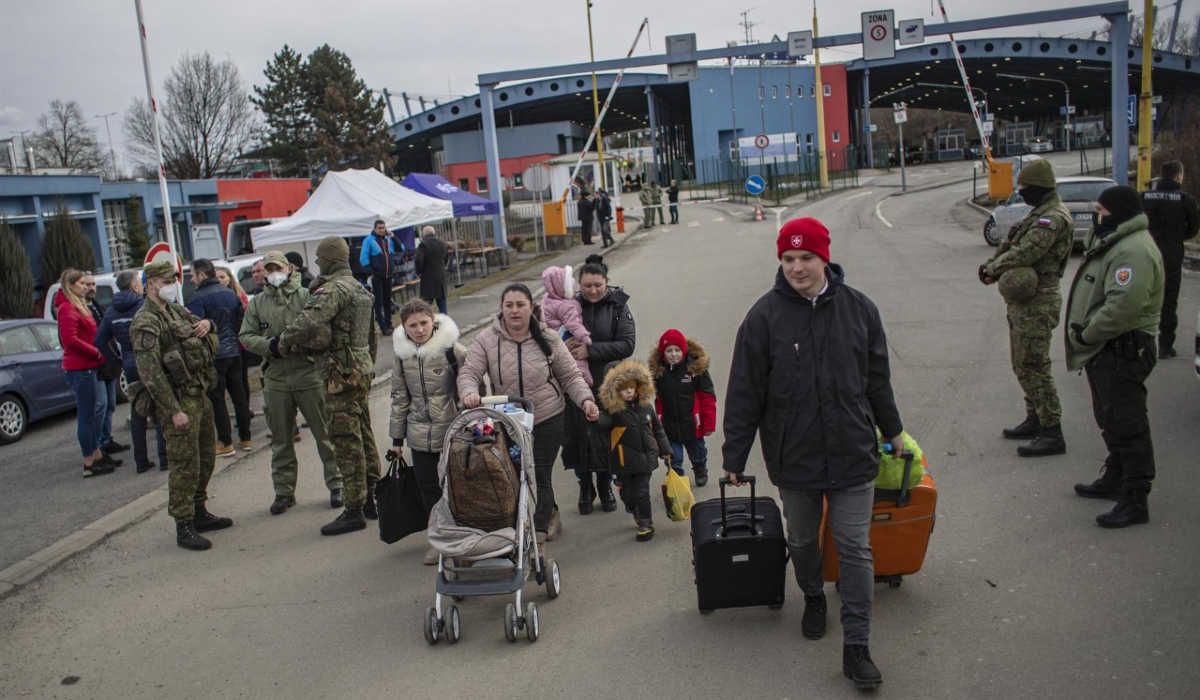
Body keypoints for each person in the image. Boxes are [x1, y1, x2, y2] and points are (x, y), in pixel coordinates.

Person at [722, 218, 903, 689]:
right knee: (802, 540)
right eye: (788, 259)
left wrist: (894, 430)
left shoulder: (860, 310)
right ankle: (812, 596)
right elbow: (745, 391)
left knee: (855, 546)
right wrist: (734, 455)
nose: (797, 268)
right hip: (794, 454)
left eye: (806, 258)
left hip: (852, 449)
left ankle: (857, 644)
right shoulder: (763, 317)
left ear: (825, 258)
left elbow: (877, 380)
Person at [456, 284, 599, 549]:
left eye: (520, 304)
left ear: (531, 308)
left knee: (538, 472)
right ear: (501, 308)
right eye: (508, 305)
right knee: (512, 471)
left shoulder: (548, 337)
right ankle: (542, 511)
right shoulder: (487, 339)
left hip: (547, 415)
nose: (514, 310)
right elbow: (469, 372)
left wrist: (586, 400)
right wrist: (469, 393)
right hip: (508, 420)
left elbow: (570, 376)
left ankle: (542, 525)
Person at [1066, 186, 1165, 528]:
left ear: (1118, 212)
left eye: (1101, 210)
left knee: (1128, 423)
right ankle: (1117, 477)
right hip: (1109, 349)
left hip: (1124, 347)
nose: (1097, 216)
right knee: (1110, 417)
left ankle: (1135, 498)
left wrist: (1086, 333)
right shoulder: (1116, 242)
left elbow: (1122, 307)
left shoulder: (1133, 250)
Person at [275, 236, 381, 536]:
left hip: (339, 375)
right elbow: (372, 335)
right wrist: (366, 365)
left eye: (320, 258)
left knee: (345, 440)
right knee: (364, 433)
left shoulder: (332, 290)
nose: (317, 263)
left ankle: (353, 508)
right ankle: (373, 498)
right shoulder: (360, 289)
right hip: (360, 370)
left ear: (329, 259)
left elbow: (309, 322)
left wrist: (282, 342)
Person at [132, 261, 232, 551]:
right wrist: (173, 410)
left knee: (204, 458)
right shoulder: (146, 321)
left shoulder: (176, 311)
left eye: (173, 280)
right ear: (150, 284)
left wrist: (207, 325)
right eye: (165, 282)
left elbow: (208, 338)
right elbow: (150, 372)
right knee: (183, 464)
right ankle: (184, 523)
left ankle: (199, 510)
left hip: (199, 394)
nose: (171, 286)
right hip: (177, 401)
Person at [979, 159, 1073, 458]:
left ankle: (1051, 430)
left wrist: (993, 267)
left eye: (1023, 187)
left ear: (1039, 187)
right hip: (1025, 302)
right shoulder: (1039, 213)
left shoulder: (1052, 218)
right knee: (1022, 362)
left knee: (1033, 364)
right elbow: (1011, 243)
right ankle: (1035, 418)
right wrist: (992, 265)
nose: (1020, 192)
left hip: (1039, 302)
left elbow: (1029, 250)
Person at [240, 251, 345, 515]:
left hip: (307, 374)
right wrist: (270, 346)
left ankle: (337, 484)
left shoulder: (306, 296)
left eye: (278, 267)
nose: (274, 272)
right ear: (264, 272)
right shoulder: (257, 304)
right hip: (275, 377)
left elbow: (322, 327)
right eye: (269, 268)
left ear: (289, 269)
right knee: (281, 439)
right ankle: (284, 492)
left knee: (325, 434)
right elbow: (246, 335)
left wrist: (301, 342)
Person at [385, 300, 467, 565]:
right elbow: (399, 397)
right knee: (428, 488)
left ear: (433, 321)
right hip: (418, 434)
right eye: (412, 325)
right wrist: (396, 441)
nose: (419, 329)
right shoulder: (402, 356)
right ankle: (439, 540)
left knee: (457, 485)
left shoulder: (453, 350)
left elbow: (472, 388)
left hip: (453, 431)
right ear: (404, 328)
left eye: (423, 322)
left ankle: (466, 535)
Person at [563, 255, 635, 515]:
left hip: (608, 383)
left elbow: (627, 344)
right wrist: (565, 347)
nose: (592, 290)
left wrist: (590, 351)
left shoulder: (618, 305)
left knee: (606, 437)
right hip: (574, 381)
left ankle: (604, 485)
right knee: (578, 438)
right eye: (587, 286)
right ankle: (585, 486)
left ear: (606, 283)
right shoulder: (569, 306)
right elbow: (552, 336)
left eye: (597, 285)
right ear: (579, 285)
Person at [95, 270, 168, 474]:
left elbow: (99, 341)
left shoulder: (110, 311)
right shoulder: (143, 306)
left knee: (137, 414)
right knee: (160, 409)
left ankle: (141, 462)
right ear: (135, 286)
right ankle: (164, 459)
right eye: (139, 282)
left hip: (129, 367)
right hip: (150, 364)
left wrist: (117, 359)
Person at [596, 359, 672, 542]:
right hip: (623, 461)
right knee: (627, 495)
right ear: (615, 391)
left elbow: (658, 430)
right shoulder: (612, 412)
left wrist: (665, 450)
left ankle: (646, 523)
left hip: (645, 460)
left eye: (631, 387)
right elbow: (602, 424)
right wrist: (594, 417)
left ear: (638, 386)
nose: (629, 391)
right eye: (623, 388)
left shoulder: (646, 407)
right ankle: (633, 508)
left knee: (641, 492)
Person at [55, 269, 119, 477]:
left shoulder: (79, 306)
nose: (86, 287)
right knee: (87, 416)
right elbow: (70, 340)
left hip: (88, 366)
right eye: (82, 283)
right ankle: (89, 462)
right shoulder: (67, 309)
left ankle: (97, 454)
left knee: (93, 414)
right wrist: (96, 353)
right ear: (71, 285)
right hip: (80, 368)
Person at [186, 258, 252, 457]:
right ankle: (246, 437)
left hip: (215, 355)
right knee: (239, 397)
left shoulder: (198, 298)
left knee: (217, 400)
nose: (191, 279)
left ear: (202, 275)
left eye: (192, 275)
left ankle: (225, 441)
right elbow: (240, 320)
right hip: (235, 351)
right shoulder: (231, 294)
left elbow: (195, 330)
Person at [1141, 161, 1200, 359]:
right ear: (1178, 175)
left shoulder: (1145, 197)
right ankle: (1165, 346)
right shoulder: (1185, 200)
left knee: (1144, 298)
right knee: (1168, 301)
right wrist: (1177, 237)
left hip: (1146, 254)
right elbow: (1193, 228)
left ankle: (1140, 341)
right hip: (1172, 256)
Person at [648, 329, 716, 487]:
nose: (673, 354)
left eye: (677, 350)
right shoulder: (658, 372)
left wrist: (709, 424)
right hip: (669, 425)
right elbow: (648, 396)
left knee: (697, 452)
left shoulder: (695, 370)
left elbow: (708, 397)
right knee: (673, 457)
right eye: (669, 350)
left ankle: (700, 469)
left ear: (684, 351)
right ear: (662, 353)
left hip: (693, 424)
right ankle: (676, 477)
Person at [84, 273, 127, 456]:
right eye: (86, 284)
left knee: (110, 404)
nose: (91, 288)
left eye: (93, 284)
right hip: (94, 364)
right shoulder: (80, 309)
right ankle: (97, 445)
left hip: (108, 362)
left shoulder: (97, 307)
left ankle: (107, 439)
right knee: (100, 405)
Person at [540, 265, 592, 386]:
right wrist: (585, 338)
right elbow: (574, 324)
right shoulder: (565, 305)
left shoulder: (546, 300)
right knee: (577, 357)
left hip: (554, 338)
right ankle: (583, 378)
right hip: (567, 336)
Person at [360, 219, 401, 335]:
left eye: (383, 228)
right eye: (380, 228)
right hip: (377, 277)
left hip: (388, 275)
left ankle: (389, 324)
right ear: (375, 228)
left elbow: (400, 248)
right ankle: (383, 327)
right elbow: (363, 258)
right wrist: (370, 273)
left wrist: (393, 237)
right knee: (379, 302)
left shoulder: (388, 240)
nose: (382, 230)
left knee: (388, 301)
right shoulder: (369, 240)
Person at [414, 225, 449, 314]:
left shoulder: (423, 244)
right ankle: (444, 323)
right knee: (442, 304)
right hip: (440, 277)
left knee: (426, 305)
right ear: (434, 233)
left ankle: (427, 323)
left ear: (424, 234)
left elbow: (419, 259)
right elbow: (446, 259)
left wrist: (419, 271)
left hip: (428, 278)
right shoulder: (443, 243)